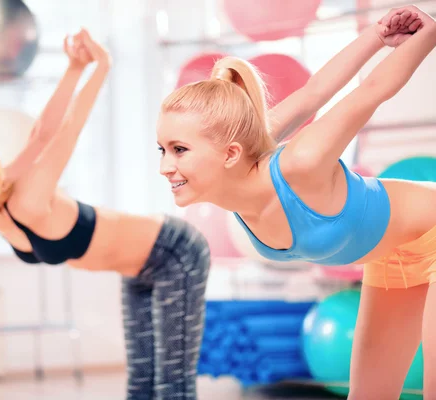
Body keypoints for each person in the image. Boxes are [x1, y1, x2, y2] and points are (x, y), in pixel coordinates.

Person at [156, 5, 436, 399]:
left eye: (179, 149)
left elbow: (371, 91)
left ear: (230, 153)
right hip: (394, 253)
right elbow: (310, 94)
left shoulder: (300, 163)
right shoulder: (243, 154)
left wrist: (424, 35)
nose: (166, 167)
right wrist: (376, 35)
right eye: (162, 150)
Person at [0, 29, 210, 399]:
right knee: (141, 383)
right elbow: (38, 136)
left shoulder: (25, 200)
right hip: (136, 270)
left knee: (172, 385)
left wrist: (98, 65)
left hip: (173, 252)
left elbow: (64, 130)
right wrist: (75, 66)